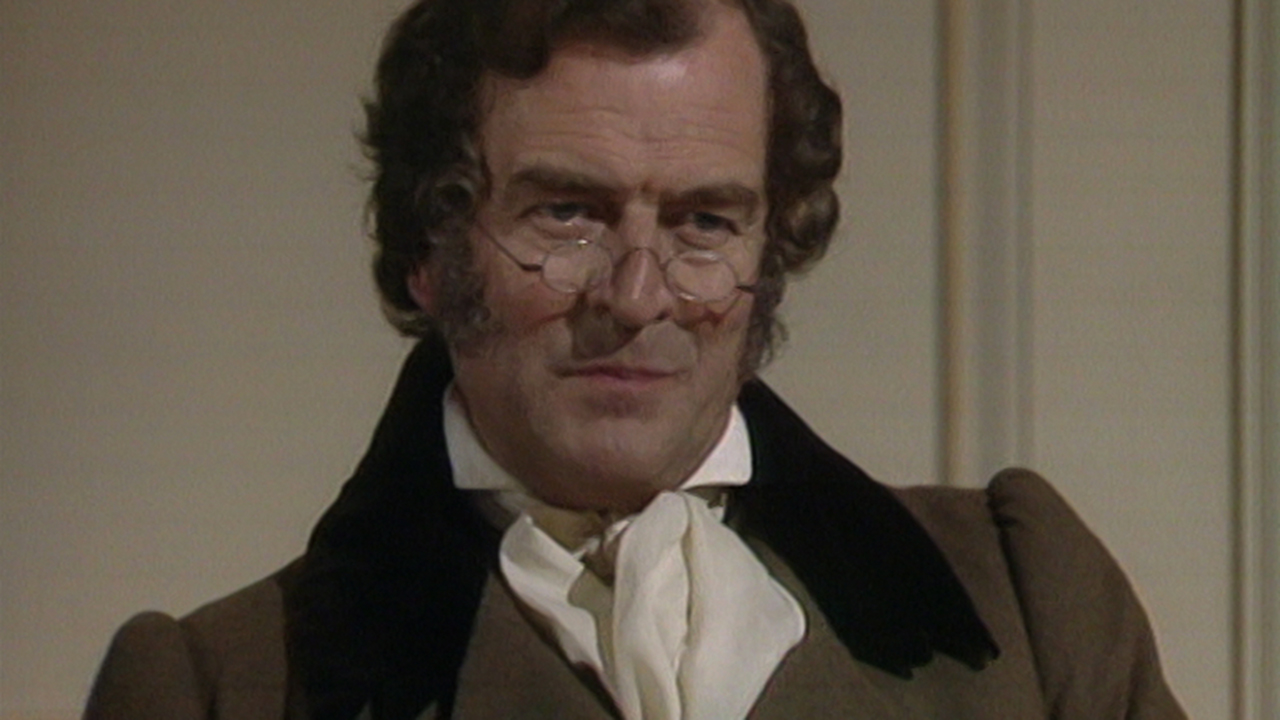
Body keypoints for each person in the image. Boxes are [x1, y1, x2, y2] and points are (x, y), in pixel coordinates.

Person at [84, 0, 1187, 718]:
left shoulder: (1025, 607)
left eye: (705, 222)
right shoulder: (220, 688)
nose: (638, 295)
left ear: (770, 246)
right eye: (568, 214)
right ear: (429, 247)